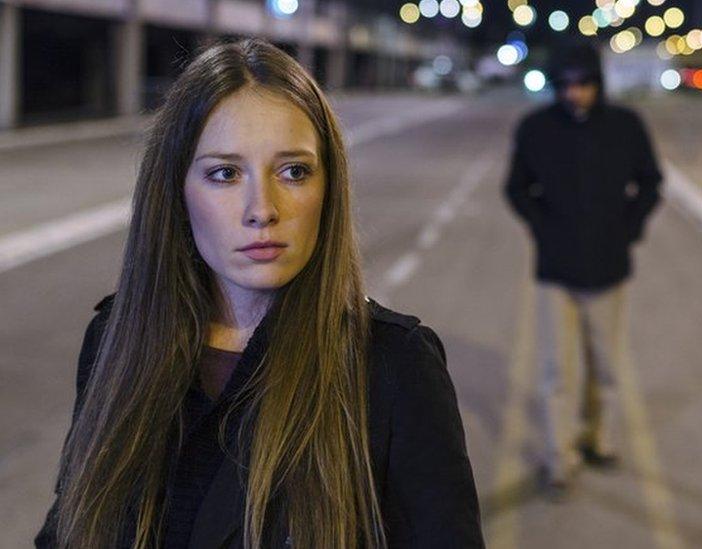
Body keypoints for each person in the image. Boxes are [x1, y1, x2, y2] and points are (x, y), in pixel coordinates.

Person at [34, 39, 484, 548]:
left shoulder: (393, 367)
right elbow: (67, 529)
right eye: (225, 173)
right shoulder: (114, 340)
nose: (262, 209)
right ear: (176, 193)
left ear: (328, 188)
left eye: (293, 171)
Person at [503, 40, 663, 495]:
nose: (576, 93)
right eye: (568, 85)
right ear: (557, 85)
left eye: (584, 84)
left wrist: (628, 230)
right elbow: (515, 188)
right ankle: (561, 458)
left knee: (606, 365)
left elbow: (651, 184)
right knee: (558, 370)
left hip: (609, 267)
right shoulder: (535, 128)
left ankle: (599, 439)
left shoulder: (626, 126)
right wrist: (541, 227)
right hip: (555, 268)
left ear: (598, 82)